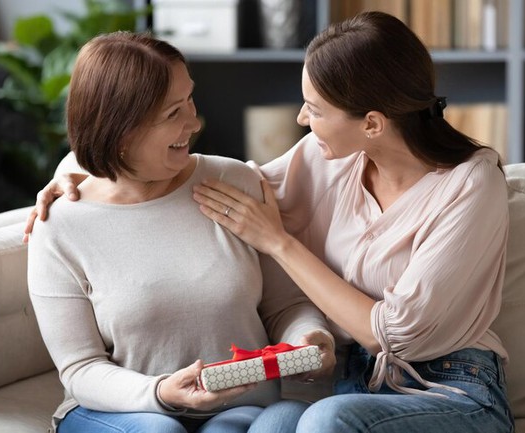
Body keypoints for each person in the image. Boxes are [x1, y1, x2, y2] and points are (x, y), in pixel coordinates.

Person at [28, 12, 514, 433]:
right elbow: (210, 185)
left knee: (315, 421)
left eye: (317, 110)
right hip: (354, 384)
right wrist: (77, 169)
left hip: (451, 383)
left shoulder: (471, 185)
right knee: (303, 420)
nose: (302, 119)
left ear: (371, 123)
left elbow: (397, 335)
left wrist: (280, 244)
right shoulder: (332, 156)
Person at [26, 31, 335, 433]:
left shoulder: (236, 182)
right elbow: (80, 368)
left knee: (285, 421)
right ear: (121, 131)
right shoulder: (61, 225)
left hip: (241, 407)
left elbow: (284, 306)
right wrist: (160, 393)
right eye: (173, 113)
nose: (195, 122)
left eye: (189, 99)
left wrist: (309, 338)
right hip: (124, 411)